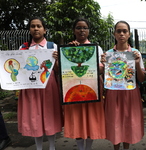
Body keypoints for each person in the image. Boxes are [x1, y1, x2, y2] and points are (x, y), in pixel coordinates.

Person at [18, 17, 63, 150]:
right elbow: (21, 69)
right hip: (30, 87)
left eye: (39, 26)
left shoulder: (52, 46)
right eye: (33, 26)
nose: (36, 28)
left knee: (50, 114)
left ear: (44, 30)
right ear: (29, 29)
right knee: (34, 116)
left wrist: (57, 60)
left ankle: (52, 146)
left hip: (49, 86)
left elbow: (59, 69)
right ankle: (38, 147)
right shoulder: (23, 48)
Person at [101, 21, 145, 150]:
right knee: (114, 122)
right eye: (118, 31)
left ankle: (126, 148)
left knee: (128, 122)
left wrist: (137, 63)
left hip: (131, 92)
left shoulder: (136, 53)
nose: (121, 34)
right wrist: (103, 66)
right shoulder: (108, 54)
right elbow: (105, 79)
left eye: (124, 31)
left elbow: (142, 78)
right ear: (114, 34)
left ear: (129, 34)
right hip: (113, 92)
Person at [63, 18, 106, 150]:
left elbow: (100, 69)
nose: (82, 30)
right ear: (73, 30)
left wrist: (102, 64)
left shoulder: (96, 48)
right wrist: (69, 52)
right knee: (77, 119)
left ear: (88, 30)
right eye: (78, 27)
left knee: (91, 119)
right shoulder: (68, 48)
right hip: (74, 88)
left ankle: (88, 148)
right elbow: (64, 70)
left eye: (85, 28)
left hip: (92, 88)